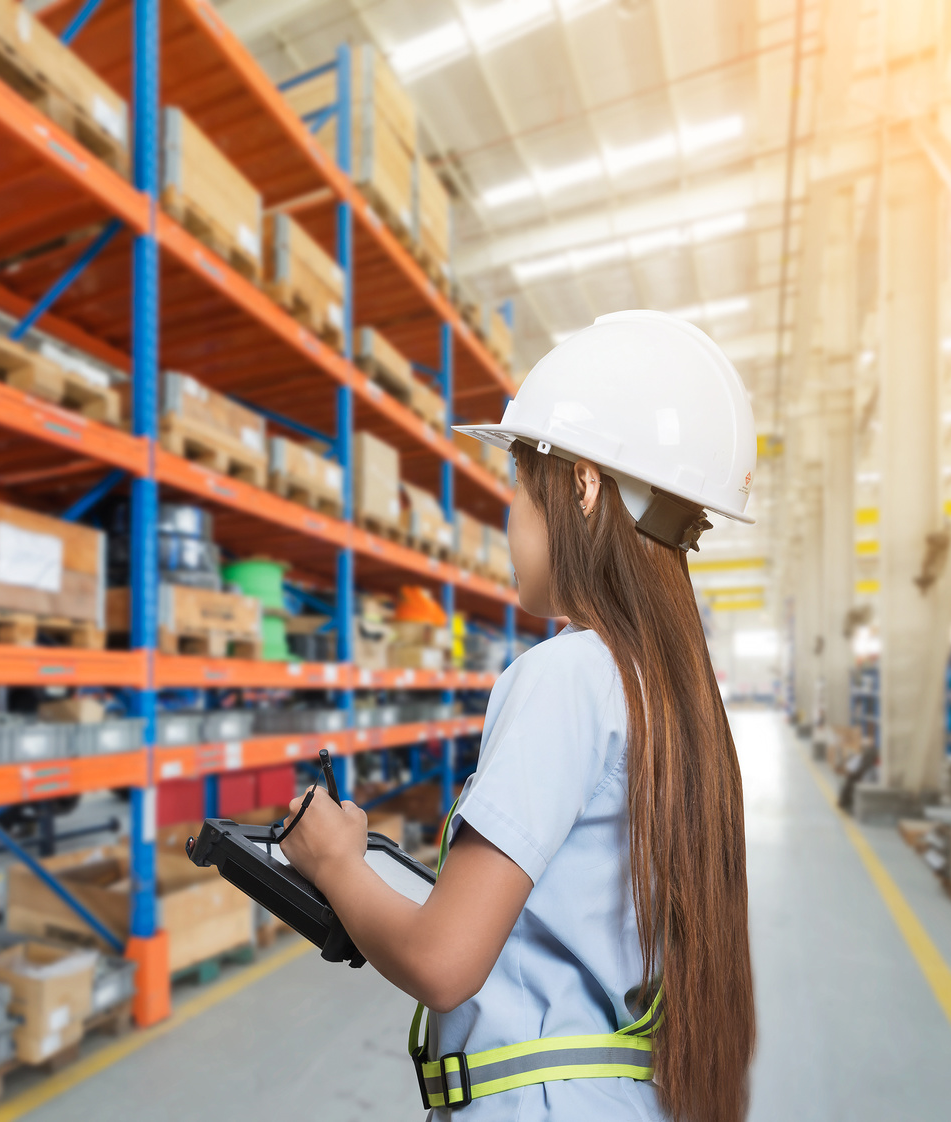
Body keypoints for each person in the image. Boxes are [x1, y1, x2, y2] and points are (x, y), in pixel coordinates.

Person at [278, 311, 758, 1122]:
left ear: (580, 483)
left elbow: (443, 961)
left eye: (516, 490)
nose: (508, 522)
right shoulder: (668, 690)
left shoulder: (568, 673)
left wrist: (332, 863)